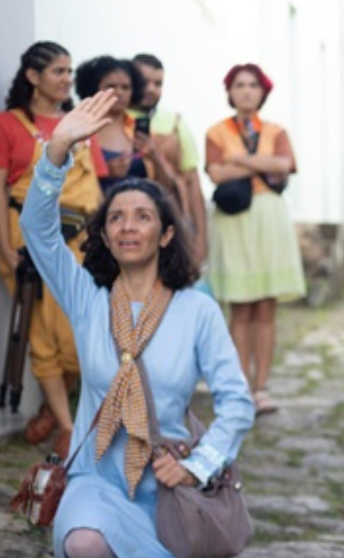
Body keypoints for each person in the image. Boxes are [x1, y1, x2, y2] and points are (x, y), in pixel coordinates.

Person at [19, 89, 254, 558]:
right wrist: (57, 149)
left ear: (165, 233)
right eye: (116, 217)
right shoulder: (87, 297)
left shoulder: (196, 309)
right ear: (104, 235)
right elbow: (38, 231)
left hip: (166, 488)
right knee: (83, 545)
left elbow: (237, 402)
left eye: (143, 216)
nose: (128, 226)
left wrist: (197, 466)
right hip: (99, 476)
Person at [0, 41, 106, 456]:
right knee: (42, 333)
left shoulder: (78, 122)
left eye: (69, 71)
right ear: (33, 76)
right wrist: (6, 249)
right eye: (58, 71)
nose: (67, 79)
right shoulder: (9, 124)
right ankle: (67, 426)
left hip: (80, 236)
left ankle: (51, 406)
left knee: (79, 332)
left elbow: (93, 187)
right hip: (28, 238)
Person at [204, 63, 305, 415]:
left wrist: (241, 159)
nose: (246, 91)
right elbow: (216, 172)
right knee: (240, 307)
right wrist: (262, 163)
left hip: (268, 217)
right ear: (230, 91)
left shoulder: (276, 130)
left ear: (263, 91)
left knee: (266, 307)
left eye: (252, 85)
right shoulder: (216, 132)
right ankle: (241, 386)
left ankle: (261, 386)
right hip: (235, 220)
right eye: (239, 85)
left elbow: (286, 164)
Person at [130, 54, 207, 264]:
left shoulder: (175, 122)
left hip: (169, 221)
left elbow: (192, 181)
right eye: (144, 81)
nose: (151, 89)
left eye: (158, 83)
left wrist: (200, 238)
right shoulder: (113, 120)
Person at [74, 57, 171, 194]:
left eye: (125, 87)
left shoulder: (140, 130)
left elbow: (165, 188)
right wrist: (105, 171)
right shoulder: (81, 130)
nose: (119, 92)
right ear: (94, 88)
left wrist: (156, 158)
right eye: (111, 86)